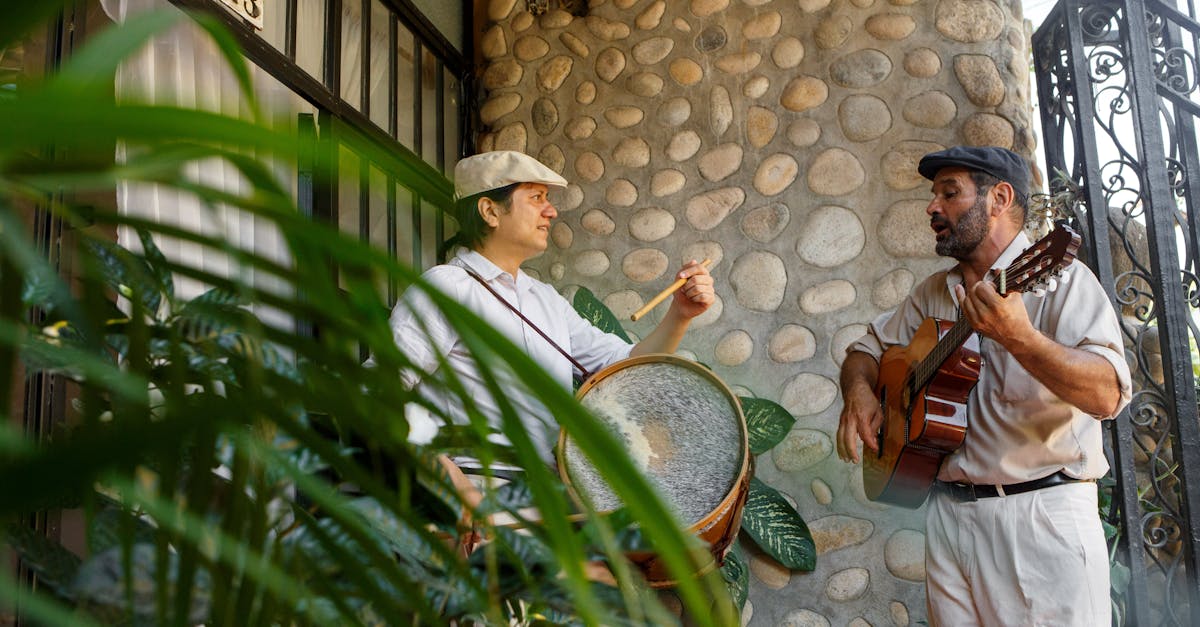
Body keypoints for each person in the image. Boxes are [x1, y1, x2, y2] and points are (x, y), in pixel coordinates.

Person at [835, 146, 1131, 625]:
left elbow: (1108, 395)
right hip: (948, 520)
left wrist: (1021, 339)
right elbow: (864, 352)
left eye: (949, 194)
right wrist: (861, 393)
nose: (933, 207)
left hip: (1040, 520)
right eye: (934, 196)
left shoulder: (1062, 280)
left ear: (999, 198)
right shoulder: (932, 292)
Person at [390, 150, 715, 468]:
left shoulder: (545, 299)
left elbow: (625, 369)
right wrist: (449, 480)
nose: (551, 212)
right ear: (490, 211)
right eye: (536, 198)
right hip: (479, 489)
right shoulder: (446, 288)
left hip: (548, 496)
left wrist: (680, 313)